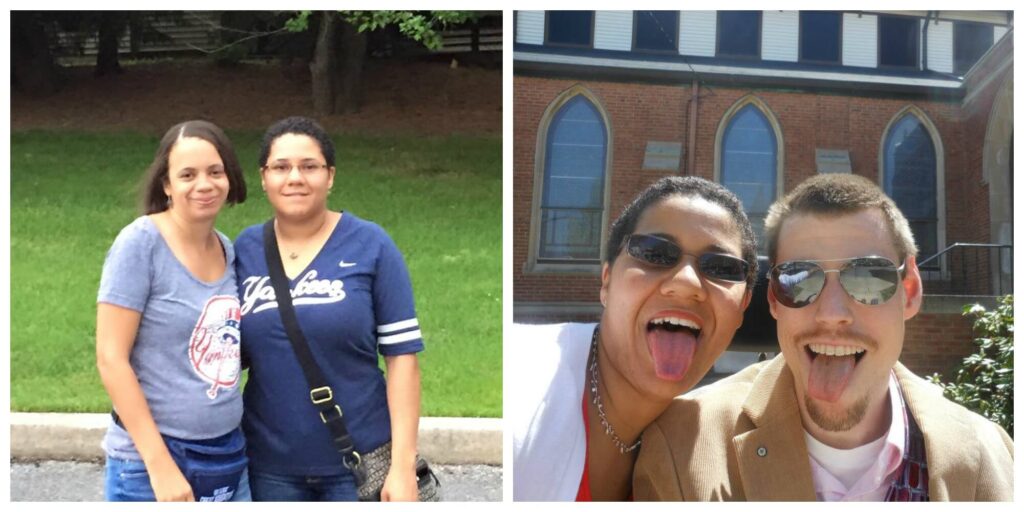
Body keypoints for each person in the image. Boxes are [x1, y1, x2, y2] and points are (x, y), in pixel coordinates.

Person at [634, 173, 1014, 501]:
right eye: (799, 279)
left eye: (868, 276)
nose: (832, 313)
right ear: (774, 299)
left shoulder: (989, 458)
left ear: (910, 290)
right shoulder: (679, 449)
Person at [512, 176, 757, 501]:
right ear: (606, 281)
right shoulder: (522, 380)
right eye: (655, 253)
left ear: (743, 306)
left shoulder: (718, 451)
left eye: (721, 267)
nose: (686, 283)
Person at [235, 116, 424, 501]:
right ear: (264, 177)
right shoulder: (244, 251)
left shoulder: (371, 245)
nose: (295, 178)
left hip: (357, 462)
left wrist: (403, 466)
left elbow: (402, 359)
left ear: (330, 175)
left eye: (309, 166)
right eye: (281, 167)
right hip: (268, 466)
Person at [96, 120, 250, 502]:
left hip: (228, 453)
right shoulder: (140, 244)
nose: (204, 184)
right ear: (166, 184)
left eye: (215, 171)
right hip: (152, 463)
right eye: (187, 174)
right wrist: (160, 466)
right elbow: (111, 358)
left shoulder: (227, 250)